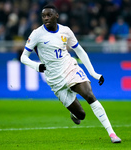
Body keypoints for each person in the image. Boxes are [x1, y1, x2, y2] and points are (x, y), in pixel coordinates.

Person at [20, 4, 121, 143]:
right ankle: (74, 112)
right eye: (43, 16)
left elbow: (79, 51)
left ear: (56, 16)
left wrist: (93, 73)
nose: (46, 18)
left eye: (49, 15)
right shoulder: (37, 34)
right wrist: (36, 66)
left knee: (89, 95)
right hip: (54, 79)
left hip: (70, 68)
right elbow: (23, 57)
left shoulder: (66, 31)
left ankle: (112, 134)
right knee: (81, 115)